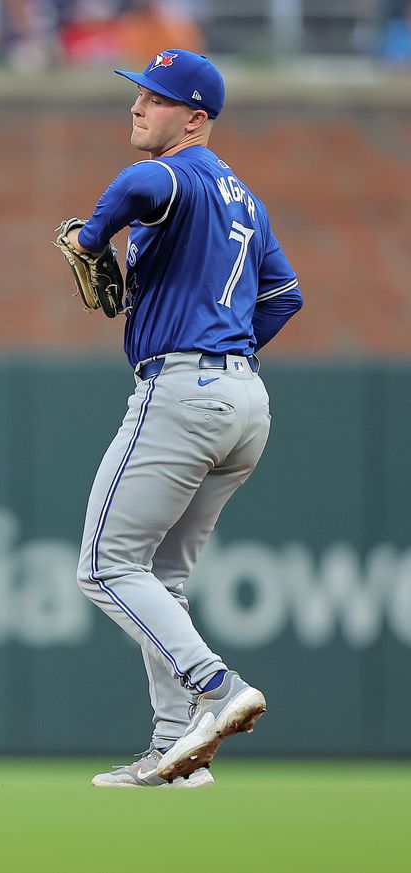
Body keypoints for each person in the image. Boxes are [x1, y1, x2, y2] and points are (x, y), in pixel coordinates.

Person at [62, 50, 303, 788]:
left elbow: (143, 183)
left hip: (183, 390)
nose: (138, 107)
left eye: (157, 99)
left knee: (104, 564)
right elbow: (284, 296)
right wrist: (227, 353)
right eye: (139, 94)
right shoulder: (246, 200)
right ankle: (176, 754)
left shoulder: (176, 172)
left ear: (195, 119)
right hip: (244, 401)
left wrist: (93, 237)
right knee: (161, 575)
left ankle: (217, 687)